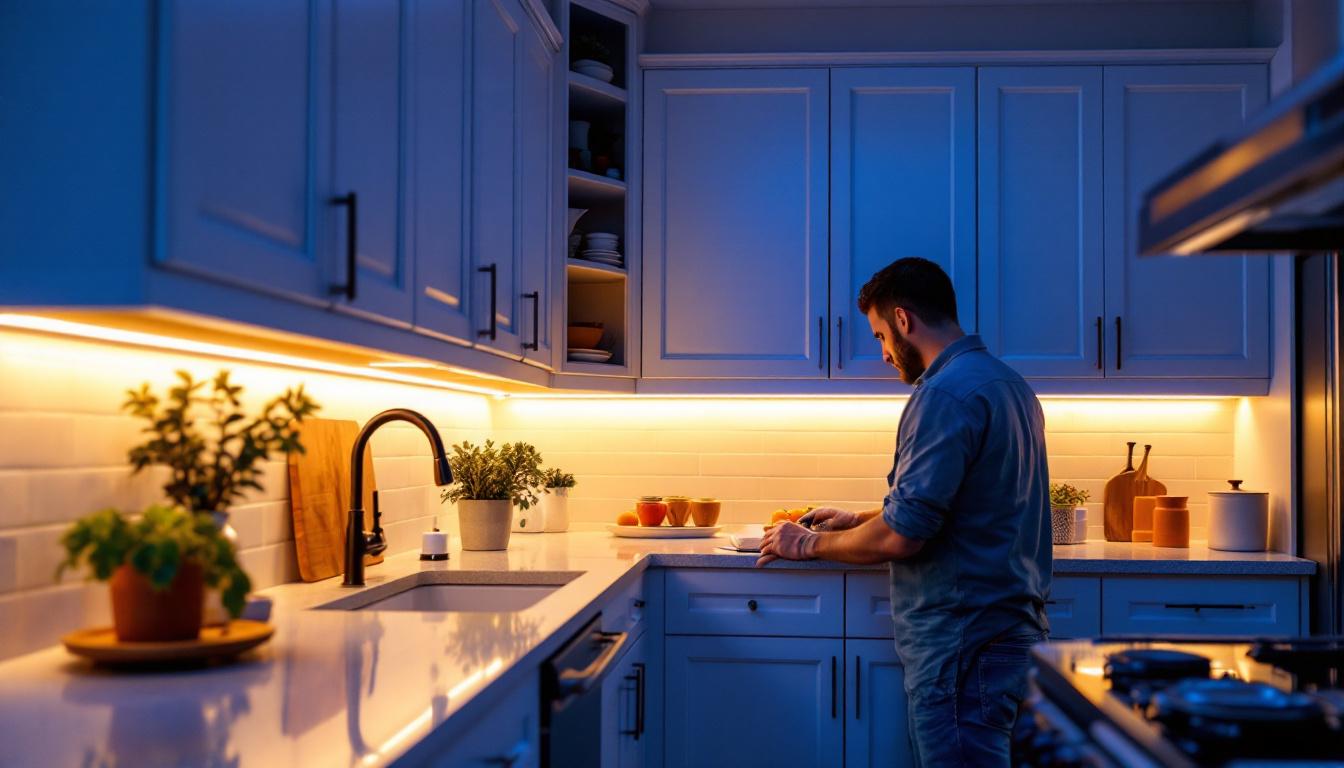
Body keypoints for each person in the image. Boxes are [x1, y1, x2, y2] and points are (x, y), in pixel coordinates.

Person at [755, 257, 1051, 766]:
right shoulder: (1007, 385)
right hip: (1009, 637)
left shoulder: (943, 394)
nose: (884, 353)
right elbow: (970, 505)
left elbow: (903, 537)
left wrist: (804, 543)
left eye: (879, 336)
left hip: (963, 645)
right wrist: (861, 519)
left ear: (903, 320)